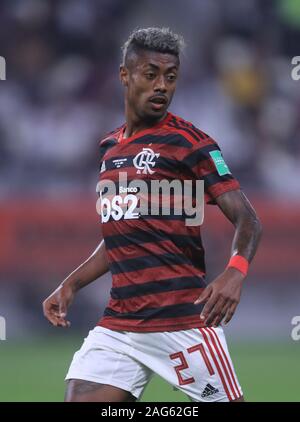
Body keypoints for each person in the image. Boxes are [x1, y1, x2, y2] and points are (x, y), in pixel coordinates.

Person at [43, 27, 262, 403]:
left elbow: (248, 219)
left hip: (181, 322)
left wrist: (234, 272)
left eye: (170, 77)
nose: (162, 85)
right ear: (125, 76)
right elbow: (120, 237)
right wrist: (71, 284)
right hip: (120, 325)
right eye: (151, 75)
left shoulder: (191, 143)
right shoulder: (109, 148)